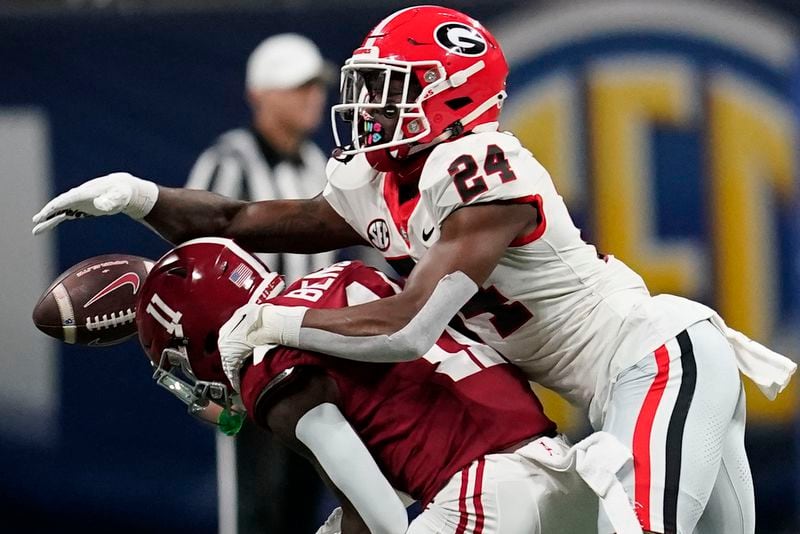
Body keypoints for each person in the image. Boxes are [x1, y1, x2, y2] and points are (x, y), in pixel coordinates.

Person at [31, 5, 796, 534]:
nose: (366, 105)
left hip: (660, 359)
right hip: (619, 392)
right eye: (366, 86)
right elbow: (237, 220)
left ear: (454, 95)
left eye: (389, 88)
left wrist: (264, 318)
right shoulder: (378, 181)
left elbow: (409, 325)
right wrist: (139, 195)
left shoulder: (481, 171)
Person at [135, 237, 640, 534]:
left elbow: (381, 517)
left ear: (200, 334)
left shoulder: (270, 366)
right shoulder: (346, 279)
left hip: (483, 498)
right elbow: (403, 430)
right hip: (561, 470)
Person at [188, 32, 338, 534]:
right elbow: (190, 275)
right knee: (255, 508)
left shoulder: (320, 165)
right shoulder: (228, 164)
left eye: (316, 86)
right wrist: (202, 373)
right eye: (299, 87)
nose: (313, 97)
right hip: (244, 365)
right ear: (262, 94)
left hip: (312, 364)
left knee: (301, 506)